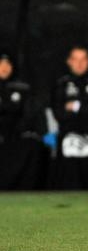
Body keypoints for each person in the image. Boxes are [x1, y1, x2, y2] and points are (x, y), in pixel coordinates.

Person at [52, 46, 88, 189]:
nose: (79, 64)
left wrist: (77, 107)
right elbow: (60, 114)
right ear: (69, 61)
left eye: (83, 59)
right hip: (70, 132)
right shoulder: (61, 84)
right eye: (75, 59)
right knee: (69, 146)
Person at [0, 51, 47, 189]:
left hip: (17, 136)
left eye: (7, 63)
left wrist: (42, 133)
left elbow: (32, 114)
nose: (4, 67)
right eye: (1, 63)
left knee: (32, 146)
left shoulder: (22, 88)